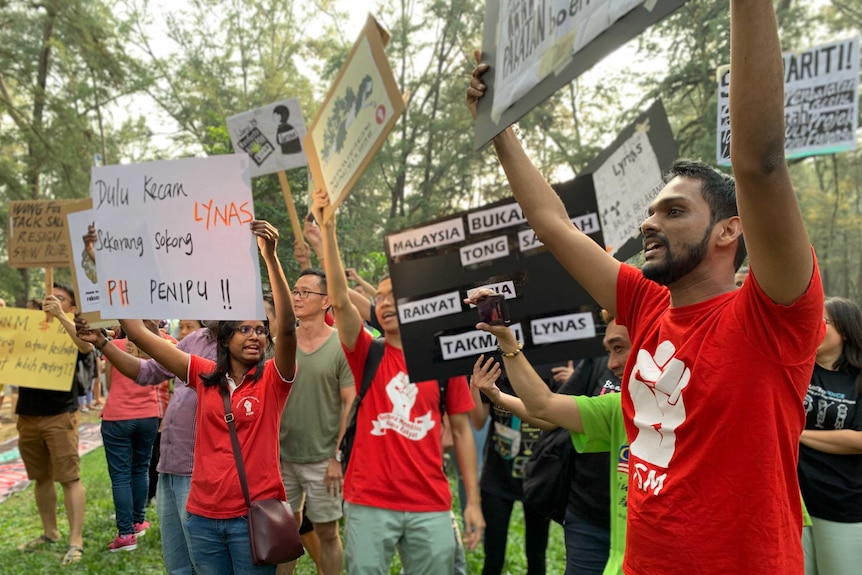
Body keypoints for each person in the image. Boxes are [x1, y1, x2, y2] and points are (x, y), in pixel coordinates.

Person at [467, 0, 824, 571]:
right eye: (651, 210)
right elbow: (553, 223)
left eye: (674, 211)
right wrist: (499, 129)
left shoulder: (774, 315)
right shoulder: (645, 302)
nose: (649, 223)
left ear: (732, 228)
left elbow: (760, 163)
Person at [311, 189, 484, 574]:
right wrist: (328, 229)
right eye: (382, 297)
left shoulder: (443, 361)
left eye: (396, 296)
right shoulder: (366, 351)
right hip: (369, 502)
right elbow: (340, 300)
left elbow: (462, 431)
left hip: (431, 504)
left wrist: (472, 500)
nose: (386, 303)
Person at [468, 304, 631, 575]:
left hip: (642, 524)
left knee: (537, 556)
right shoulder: (613, 405)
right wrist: (494, 391)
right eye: (608, 350)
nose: (613, 362)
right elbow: (546, 408)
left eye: (619, 348)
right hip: (588, 516)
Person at [83, 317, 218, 575]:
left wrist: (124, 305)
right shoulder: (196, 340)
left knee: (205, 563)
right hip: (170, 464)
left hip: (201, 470)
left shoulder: (237, 345)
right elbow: (147, 371)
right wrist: (103, 342)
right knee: (178, 564)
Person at [277, 269, 355, 575]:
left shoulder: (340, 346)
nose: (297, 297)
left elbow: (350, 402)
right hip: (282, 457)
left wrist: (337, 456)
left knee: (327, 532)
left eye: (305, 292)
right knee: (286, 531)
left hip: (323, 460)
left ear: (326, 302)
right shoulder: (279, 343)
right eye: (295, 291)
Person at [16, 283, 89, 565]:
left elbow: (85, 347)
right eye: (50, 298)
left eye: (61, 299)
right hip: (27, 414)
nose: (52, 302)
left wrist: (61, 317)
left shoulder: (72, 326)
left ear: (71, 307)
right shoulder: (31, 324)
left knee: (69, 477)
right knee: (41, 477)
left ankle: (76, 540)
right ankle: (50, 533)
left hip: (60, 413)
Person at [799, 296, 862, 575]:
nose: (812, 327)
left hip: (841, 505)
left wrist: (799, 434)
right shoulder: (799, 369)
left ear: (846, 331)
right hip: (796, 503)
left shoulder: (857, 379)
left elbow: (858, 440)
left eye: (821, 321)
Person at [469, 368, 550, 574]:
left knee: (537, 556)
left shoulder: (552, 365)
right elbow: (478, 423)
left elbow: (559, 422)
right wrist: (474, 387)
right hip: (497, 478)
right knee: (493, 558)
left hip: (538, 478)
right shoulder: (497, 367)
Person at [100, 326, 167, 551]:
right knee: (140, 469)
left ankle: (126, 534)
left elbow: (109, 384)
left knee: (120, 476)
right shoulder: (155, 346)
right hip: (148, 415)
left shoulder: (113, 347)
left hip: (117, 416)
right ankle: (138, 521)